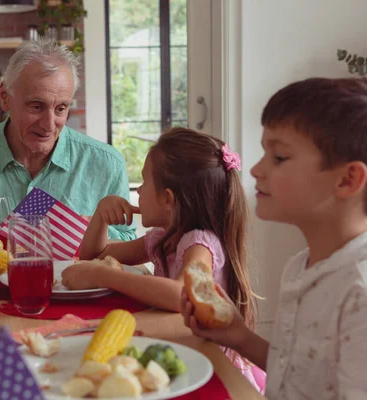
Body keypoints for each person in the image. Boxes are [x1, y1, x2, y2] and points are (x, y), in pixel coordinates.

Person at [182, 78, 367, 399]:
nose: (255, 169)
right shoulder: (300, 267)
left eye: (279, 157)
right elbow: (298, 373)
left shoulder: (360, 292)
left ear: (348, 180)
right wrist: (238, 335)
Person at [61, 127, 264, 391]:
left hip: (214, 369)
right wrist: (100, 216)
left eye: (144, 183)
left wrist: (103, 275)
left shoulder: (200, 242)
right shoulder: (160, 238)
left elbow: (180, 293)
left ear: (167, 199)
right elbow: (93, 256)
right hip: (184, 351)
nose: (140, 191)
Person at [0, 39, 135, 241]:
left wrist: (86, 227)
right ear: (4, 98)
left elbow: (129, 246)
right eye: (36, 106)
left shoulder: (107, 164)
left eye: (61, 108)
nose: (49, 125)